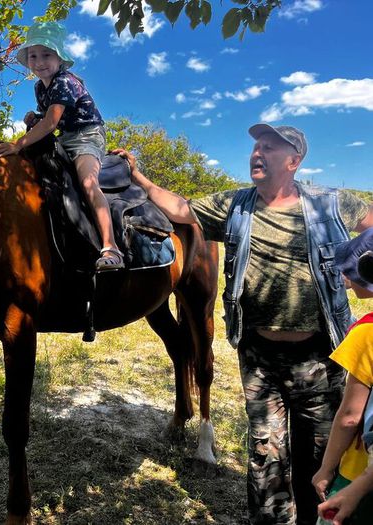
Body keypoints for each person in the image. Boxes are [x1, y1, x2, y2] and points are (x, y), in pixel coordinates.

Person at [114, 123, 373, 525]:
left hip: (320, 357)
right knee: (265, 453)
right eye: (255, 146)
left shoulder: (332, 204)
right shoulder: (235, 205)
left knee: (319, 453)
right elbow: (181, 209)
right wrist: (138, 176)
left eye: (269, 147)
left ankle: (315, 518)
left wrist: (358, 270)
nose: (257, 153)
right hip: (259, 354)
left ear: (293, 160)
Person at [0, 21, 123, 271]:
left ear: (60, 58)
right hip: (64, 135)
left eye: (46, 54)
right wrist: (34, 118)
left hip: (86, 135)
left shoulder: (65, 81)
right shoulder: (40, 87)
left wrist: (18, 144)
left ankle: (110, 246)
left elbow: (51, 122)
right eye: (33, 55)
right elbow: (48, 117)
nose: (39, 61)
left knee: (87, 183)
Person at [312, 229, 373, 525]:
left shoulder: (366, 333)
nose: (346, 282)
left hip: (358, 471)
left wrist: (326, 468)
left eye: (351, 271)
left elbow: (350, 416)